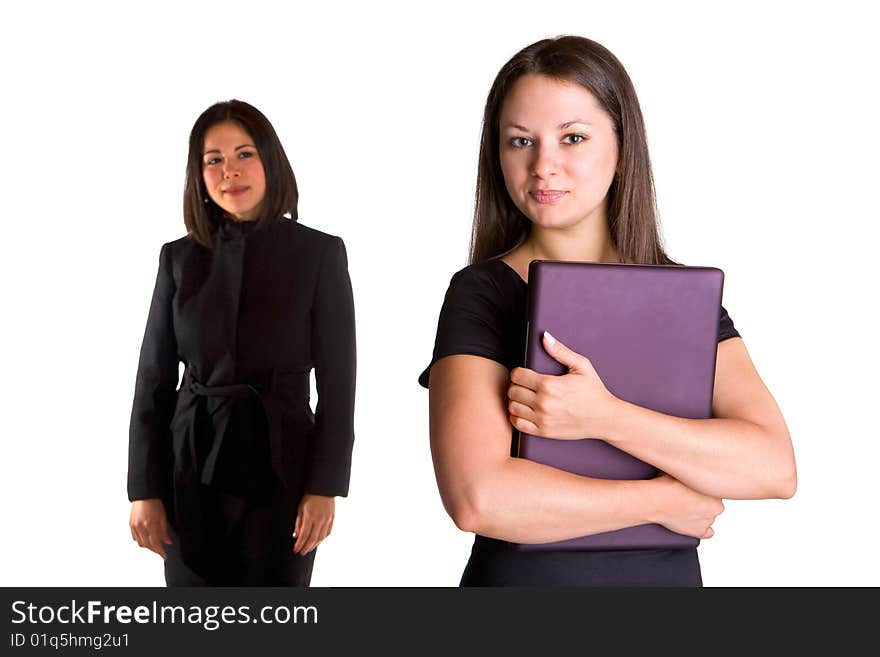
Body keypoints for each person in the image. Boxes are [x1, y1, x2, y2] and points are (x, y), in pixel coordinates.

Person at [419, 36, 797, 586]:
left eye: (573, 138)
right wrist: (659, 499)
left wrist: (603, 417)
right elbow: (479, 498)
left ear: (622, 148)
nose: (544, 165)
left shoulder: (683, 298)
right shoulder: (482, 291)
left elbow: (772, 466)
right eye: (520, 141)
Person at [128, 99, 356, 586]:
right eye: (214, 160)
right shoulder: (179, 260)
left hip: (283, 473)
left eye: (244, 154)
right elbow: (153, 379)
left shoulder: (318, 254)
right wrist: (143, 490)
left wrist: (325, 486)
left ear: (270, 160)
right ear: (199, 174)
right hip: (189, 470)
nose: (229, 170)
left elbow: (340, 384)